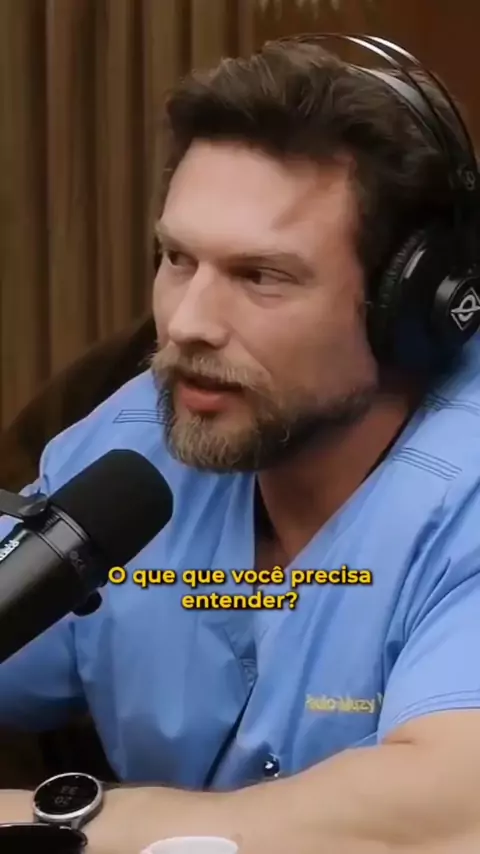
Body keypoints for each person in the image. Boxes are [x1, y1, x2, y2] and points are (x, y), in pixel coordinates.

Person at [1, 35, 480, 854]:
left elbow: (444, 814)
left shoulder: (460, 492)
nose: (187, 323)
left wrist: (61, 826)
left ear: (411, 307)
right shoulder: (129, 444)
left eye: (261, 276)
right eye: (177, 259)